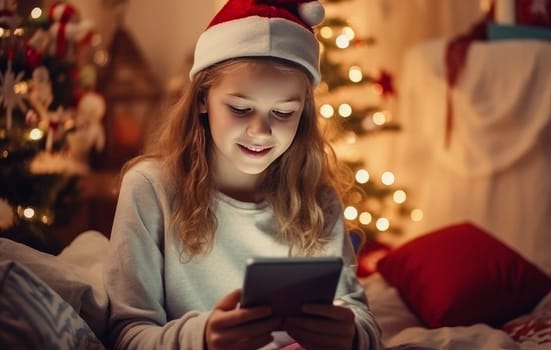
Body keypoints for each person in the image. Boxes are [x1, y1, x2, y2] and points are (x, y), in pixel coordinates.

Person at [103, 0, 383, 349]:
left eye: (283, 112)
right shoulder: (150, 188)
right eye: (240, 108)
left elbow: (361, 318)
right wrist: (202, 339)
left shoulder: (317, 198)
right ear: (203, 98)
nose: (260, 131)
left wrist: (352, 334)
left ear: (304, 112)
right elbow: (127, 334)